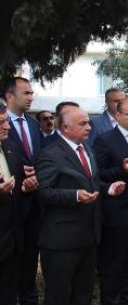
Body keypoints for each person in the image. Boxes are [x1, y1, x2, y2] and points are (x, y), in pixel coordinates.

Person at [36, 106, 125, 305]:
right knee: (59, 295)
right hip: (61, 241)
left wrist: (109, 189)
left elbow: (91, 183)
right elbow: (43, 192)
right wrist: (75, 195)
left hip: (88, 236)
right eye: (83, 123)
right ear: (66, 127)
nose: (89, 127)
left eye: (89, 122)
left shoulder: (87, 150)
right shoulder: (50, 154)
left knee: (83, 293)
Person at [94, 98, 128, 305]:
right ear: (118, 116)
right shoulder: (105, 139)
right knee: (113, 262)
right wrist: (122, 171)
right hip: (117, 213)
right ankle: (111, 300)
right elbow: (97, 174)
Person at [2, 76, 42, 305]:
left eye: (31, 93)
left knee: (29, 260)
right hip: (10, 208)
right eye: (26, 93)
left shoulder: (34, 125)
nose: (31, 97)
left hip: (35, 204)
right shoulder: (3, 127)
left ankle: (29, 298)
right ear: (9, 96)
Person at [0, 103, 26, 305]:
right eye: (1, 122)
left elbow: (17, 188)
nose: (7, 127)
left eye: (7, 121)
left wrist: (27, 186)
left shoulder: (11, 148)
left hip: (12, 239)